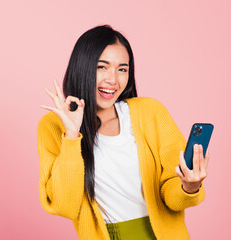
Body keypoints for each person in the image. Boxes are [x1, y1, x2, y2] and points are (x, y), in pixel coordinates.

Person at [37, 25, 209, 240]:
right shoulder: (54, 126)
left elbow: (172, 197)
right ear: (82, 67)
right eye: (102, 67)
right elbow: (66, 206)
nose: (113, 80)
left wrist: (189, 186)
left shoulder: (150, 112)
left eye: (122, 69)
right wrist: (71, 136)